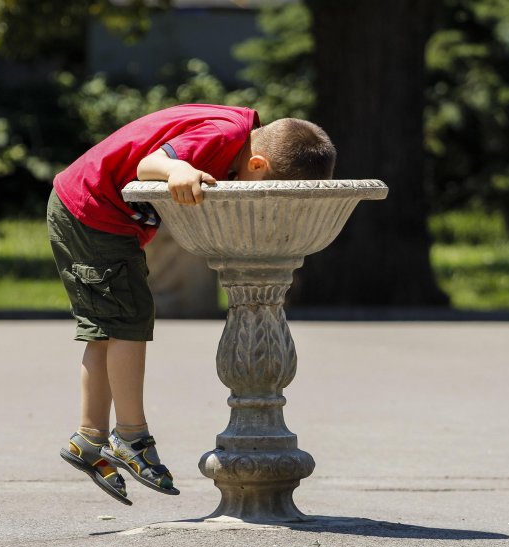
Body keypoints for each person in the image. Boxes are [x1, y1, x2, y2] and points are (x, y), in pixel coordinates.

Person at [48, 104, 336, 505]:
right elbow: (151, 164)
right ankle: (132, 437)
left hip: (86, 207)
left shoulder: (236, 138)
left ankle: (89, 437)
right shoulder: (220, 136)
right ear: (256, 163)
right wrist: (178, 170)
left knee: (109, 327)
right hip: (95, 211)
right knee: (130, 321)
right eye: (264, 188)